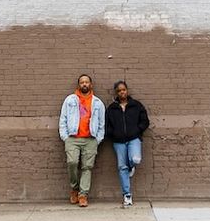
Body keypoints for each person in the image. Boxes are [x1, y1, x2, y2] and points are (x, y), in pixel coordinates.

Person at [58, 73, 104, 206]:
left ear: (91, 84)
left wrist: (97, 139)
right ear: (79, 85)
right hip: (72, 138)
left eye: (87, 82)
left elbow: (101, 124)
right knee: (72, 162)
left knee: (87, 167)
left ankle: (83, 194)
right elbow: (63, 119)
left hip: (90, 139)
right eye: (82, 82)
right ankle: (74, 189)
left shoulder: (97, 103)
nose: (84, 84)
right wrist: (65, 137)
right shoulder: (70, 100)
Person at [105, 79, 150, 207]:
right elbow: (107, 125)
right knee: (122, 167)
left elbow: (145, 121)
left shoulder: (136, 105)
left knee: (135, 159)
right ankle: (127, 195)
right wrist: (113, 134)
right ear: (116, 93)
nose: (122, 92)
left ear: (127, 90)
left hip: (134, 138)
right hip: (118, 141)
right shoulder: (112, 108)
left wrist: (137, 130)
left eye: (123, 90)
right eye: (119, 91)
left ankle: (132, 166)